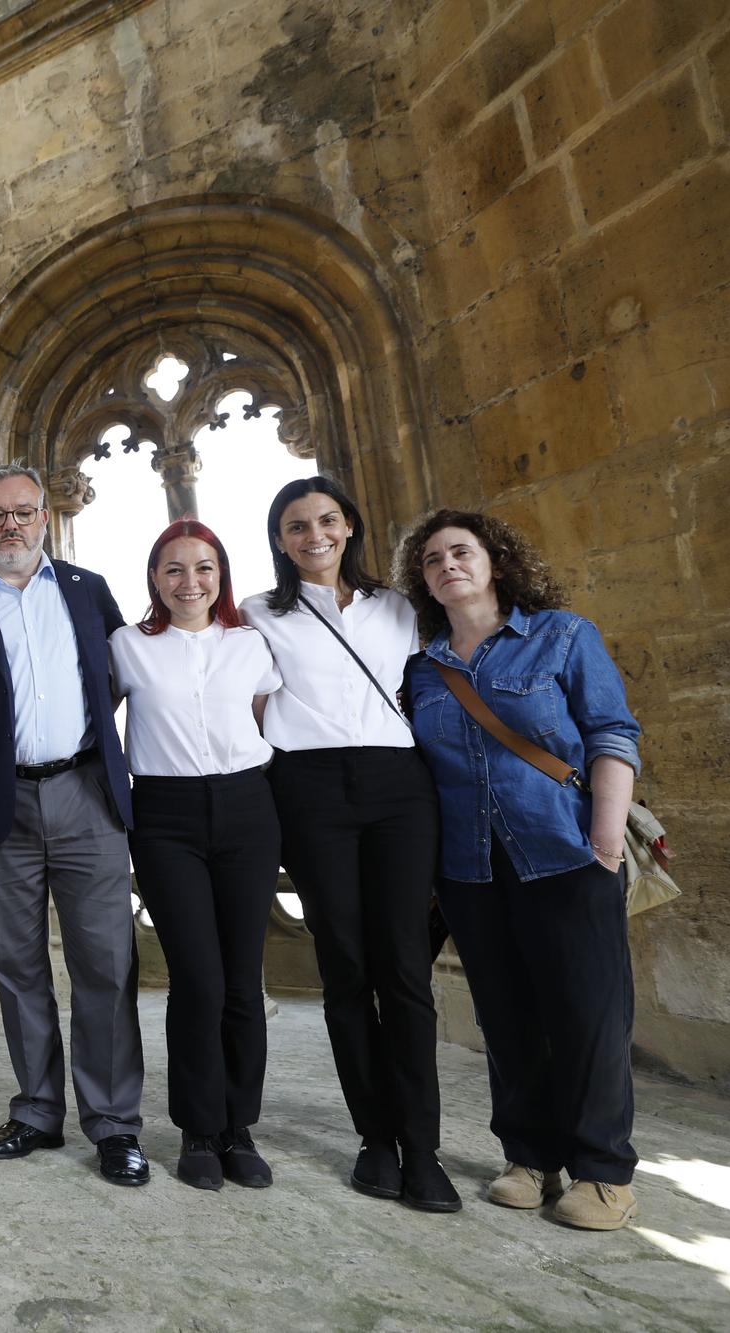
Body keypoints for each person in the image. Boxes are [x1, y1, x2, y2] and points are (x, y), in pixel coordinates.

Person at [398, 509, 643, 1231]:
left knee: (589, 1014)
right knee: (506, 1016)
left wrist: (605, 830)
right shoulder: (424, 668)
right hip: (472, 867)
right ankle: (530, 1156)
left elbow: (612, 730)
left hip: (566, 850)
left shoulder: (564, 634)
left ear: (495, 562)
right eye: (433, 558)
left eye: (461, 551)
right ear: (424, 581)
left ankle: (603, 1171)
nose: (448, 564)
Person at [0, 463, 148, 1186]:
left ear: (45, 516)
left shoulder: (88, 591)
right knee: (16, 963)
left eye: (22, 512)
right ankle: (39, 1110)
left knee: (106, 962)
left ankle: (112, 1123)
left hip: (85, 795)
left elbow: (124, 678)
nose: (9, 525)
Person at [240, 475, 459, 1212]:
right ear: (280, 539)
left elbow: (432, 685)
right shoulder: (259, 614)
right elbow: (242, 698)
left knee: (404, 968)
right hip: (308, 789)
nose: (315, 535)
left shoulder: (396, 607)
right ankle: (376, 1139)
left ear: (350, 525)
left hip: (400, 786)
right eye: (297, 525)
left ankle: (422, 1148)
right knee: (344, 966)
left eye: (327, 520)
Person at [109, 520, 282, 1191]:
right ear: (155, 578)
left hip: (247, 807)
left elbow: (267, 713)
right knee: (198, 978)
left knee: (243, 979)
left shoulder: (250, 643)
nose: (190, 581)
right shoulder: (128, 646)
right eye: (174, 569)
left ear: (221, 574)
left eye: (203, 567)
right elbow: (100, 719)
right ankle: (198, 1128)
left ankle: (239, 1127)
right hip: (165, 816)